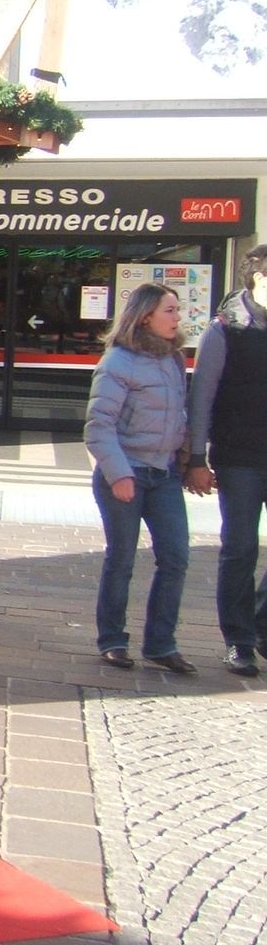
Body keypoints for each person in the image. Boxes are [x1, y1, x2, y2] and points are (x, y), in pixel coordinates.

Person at [84, 282, 194, 674]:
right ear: (146, 315)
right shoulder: (117, 362)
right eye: (170, 310)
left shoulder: (173, 359)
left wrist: (192, 460)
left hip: (163, 474)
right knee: (122, 559)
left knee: (177, 556)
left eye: (178, 310)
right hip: (126, 473)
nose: (178, 317)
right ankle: (112, 640)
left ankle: (161, 644)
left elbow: (180, 415)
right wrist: (118, 474)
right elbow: (99, 426)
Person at [186, 244, 267, 677]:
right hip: (239, 458)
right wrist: (197, 456)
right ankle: (240, 641)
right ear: (255, 278)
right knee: (240, 548)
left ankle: (261, 625)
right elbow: (202, 397)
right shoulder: (225, 330)